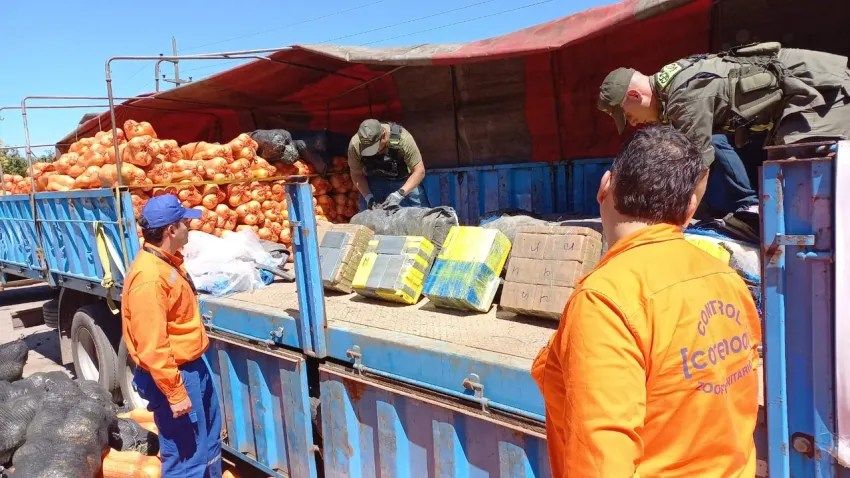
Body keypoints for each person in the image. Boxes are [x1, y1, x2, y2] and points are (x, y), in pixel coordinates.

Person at [532, 126, 762, 477]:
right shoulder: (726, 278)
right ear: (689, 209)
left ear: (605, 186)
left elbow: (601, 464)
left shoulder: (606, 300)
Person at [597, 42, 850, 224]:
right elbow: (710, 145)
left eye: (627, 115)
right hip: (802, 92)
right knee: (778, 173)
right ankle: (751, 208)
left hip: (820, 88)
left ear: (634, 95)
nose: (632, 123)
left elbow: (697, 166)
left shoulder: (683, 96)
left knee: (795, 177)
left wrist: (677, 223)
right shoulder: (673, 82)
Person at [121, 194, 222, 477]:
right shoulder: (150, 278)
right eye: (184, 222)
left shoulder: (167, 264)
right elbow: (152, 345)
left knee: (207, 445)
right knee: (186, 456)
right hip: (175, 374)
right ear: (171, 230)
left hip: (191, 367)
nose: (189, 227)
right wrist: (175, 393)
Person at [347, 118, 430, 209]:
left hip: (403, 181)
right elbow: (356, 174)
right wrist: (368, 197)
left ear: (384, 136)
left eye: (374, 148)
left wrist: (399, 194)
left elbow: (419, 171)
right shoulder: (355, 145)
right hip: (374, 181)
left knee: (421, 212)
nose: (372, 153)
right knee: (366, 212)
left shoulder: (402, 138)